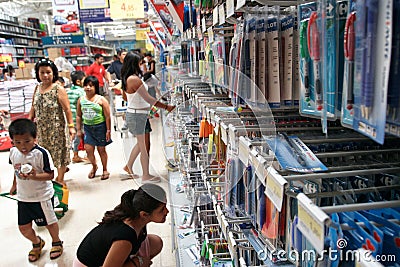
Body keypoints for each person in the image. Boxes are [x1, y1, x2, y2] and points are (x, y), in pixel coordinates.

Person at [8, 118, 63, 262]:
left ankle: (56, 241)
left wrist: (34, 175)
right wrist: (14, 185)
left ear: (35, 138)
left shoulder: (41, 153)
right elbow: (16, 169)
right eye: (18, 142)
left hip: (42, 196)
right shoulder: (13, 152)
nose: (23, 146)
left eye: (27, 141)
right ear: (12, 141)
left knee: (49, 223)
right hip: (23, 197)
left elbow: (50, 175)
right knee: (23, 228)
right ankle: (37, 242)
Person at [74, 184, 168, 267]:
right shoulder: (124, 238)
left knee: (155, 243)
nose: (167, 212)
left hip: (107, 255)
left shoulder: (135, 215)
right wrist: (138, 262)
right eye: (162, 209)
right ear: (144, 214)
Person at [121, 52, 175, 183]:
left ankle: (128, 167)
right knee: (144, 146)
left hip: (137, 114)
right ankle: (145, 175)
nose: (143, 65)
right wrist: (166, 107)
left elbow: (127, 97)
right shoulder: (134, 79)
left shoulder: (128, 78)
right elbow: (149, 98)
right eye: (140, 63)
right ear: (134, 64)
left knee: (142, 145)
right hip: (138, 116)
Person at [28, 58, 76, 185]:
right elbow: (33, 107)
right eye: (42, 72)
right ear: (38, 74)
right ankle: (47, 177)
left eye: (48, 72)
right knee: (44, 154)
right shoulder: (37, 89)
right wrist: (29, 123)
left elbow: (67, 109)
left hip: (57, 129)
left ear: (53, 73)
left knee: (59, 154)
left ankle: (60, 180)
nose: (45, 75)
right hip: (41, 130)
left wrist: (71, 126)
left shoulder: (58, 89)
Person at [76, 75, 112, 180]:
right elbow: (78, 116)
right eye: (86, 85)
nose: (88, 88)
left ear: (95, 87)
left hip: (100, 127)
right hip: (88, 128)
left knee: (101, 150)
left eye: (91, 85)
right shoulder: (81, 100)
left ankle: (105, 169)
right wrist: (78, 129)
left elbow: (107, 116)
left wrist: (108, 130)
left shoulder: (101, 100)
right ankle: (94, 166)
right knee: (88, 150)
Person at [67, 71, 86, 163]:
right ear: (78, 82)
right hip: (79, 118)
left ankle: (74, 154)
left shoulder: (68, 91)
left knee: (74, 137)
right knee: (81, 136)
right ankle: (77, 154)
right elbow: (83, 104)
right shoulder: (81, 92)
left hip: (70, 118)